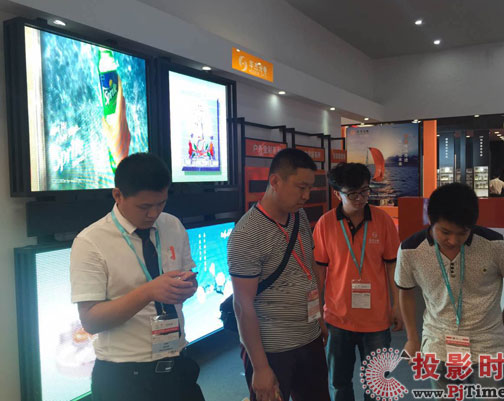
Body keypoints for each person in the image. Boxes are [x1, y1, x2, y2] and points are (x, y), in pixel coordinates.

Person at [70, 153, 205, 401]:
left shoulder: (173, 225)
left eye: (161, 203)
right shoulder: (90, 242)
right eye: (144, 207)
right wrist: (149, 292)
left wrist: (188, 286)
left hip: (177, 363)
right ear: (118, 195)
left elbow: (189, 275)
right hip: (124, 375)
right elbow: (90, 320)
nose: (154, 213)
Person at [396, 183, 504, 390]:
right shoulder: (410, 250)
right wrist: (412, 338)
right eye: (445, 232)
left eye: (462, 233)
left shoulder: (494, 244)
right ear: (431, 220)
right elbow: (405, 292)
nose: (453, 240)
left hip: (486, 343)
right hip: (438, 341)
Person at [228, 148, 330, 401]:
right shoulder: (246, 234)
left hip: (310, 338)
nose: (306, 196)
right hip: (273, 349)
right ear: (275, 181)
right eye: (301, 187)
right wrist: (260, 367)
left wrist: (318, 317)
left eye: (310, 188)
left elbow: (309, 269)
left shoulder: (299, 216)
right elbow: (242, 305)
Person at [312, 163, 401, 401]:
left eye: (364, 191)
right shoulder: (325, 224)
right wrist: (316, 313)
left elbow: (392, 267)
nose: (360, 198)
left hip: (376, 320)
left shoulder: (383, 221)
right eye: (352, 194)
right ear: (337, 194)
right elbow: (318, 273)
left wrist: (397, 305)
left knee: (377, 384)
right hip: (337, 319)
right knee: (339, 383)